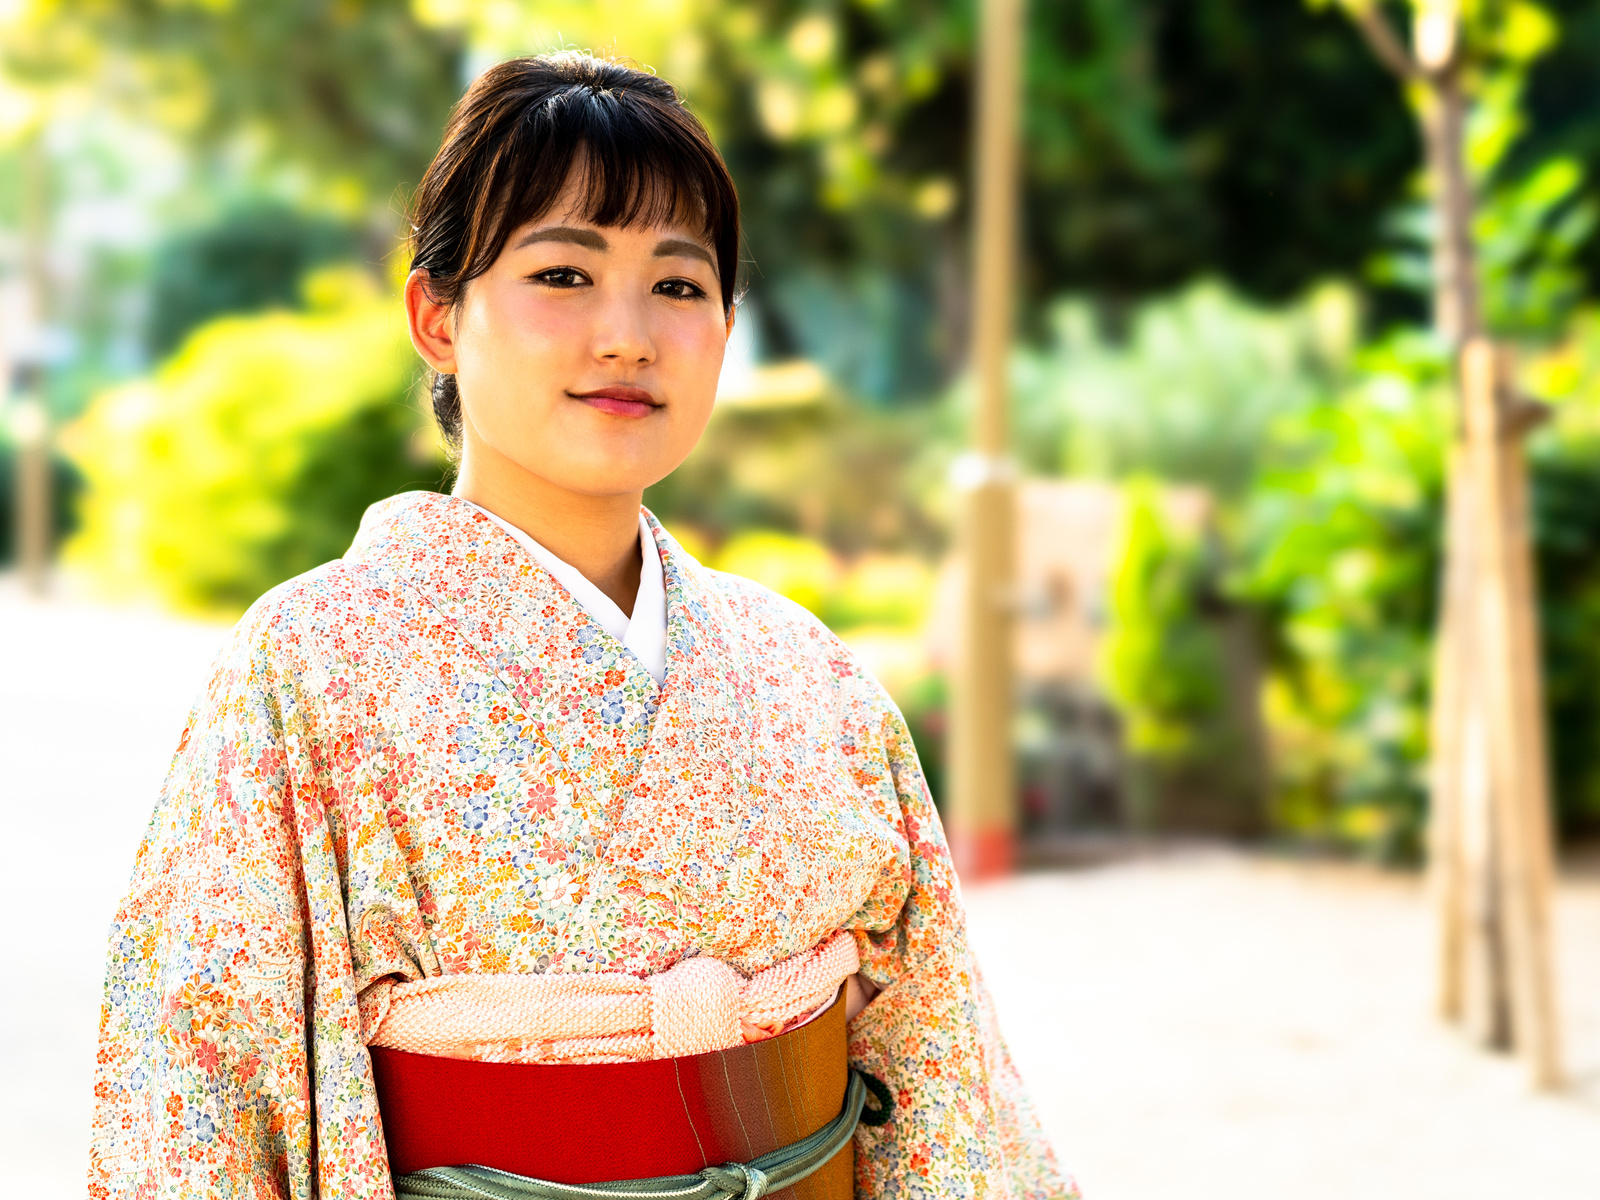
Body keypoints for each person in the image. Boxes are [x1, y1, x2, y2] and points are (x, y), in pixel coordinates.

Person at [90, 51, 1077, 1200]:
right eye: (563, 274)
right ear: (437, 315)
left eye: (678, 285)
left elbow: (939, 1066)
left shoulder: (810, 671)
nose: (628, 335)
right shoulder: (308, 667)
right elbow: (201, 1092)